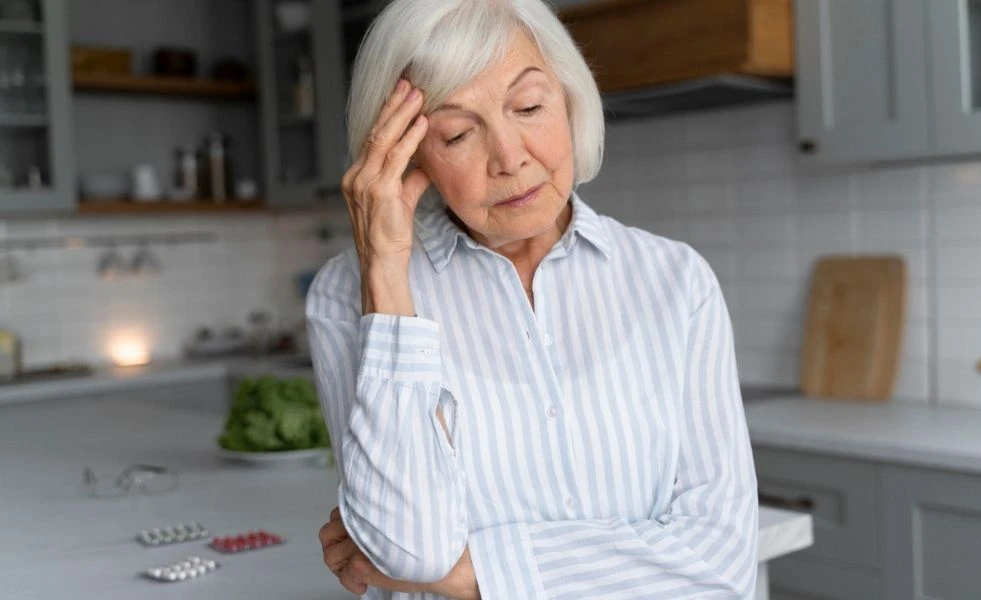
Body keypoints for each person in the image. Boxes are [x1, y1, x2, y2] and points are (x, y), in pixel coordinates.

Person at [308, 0, 758, 598]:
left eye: (529, 107)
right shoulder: (348, 296)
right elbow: (407, 547)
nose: (511, 158)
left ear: (570, 100)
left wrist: (470, 577)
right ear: (405, 155)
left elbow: (722, 561)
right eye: (458, 133)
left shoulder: (676, 281)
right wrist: (385, 273)